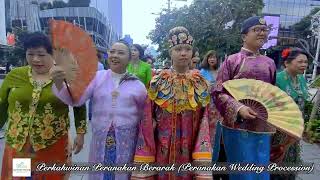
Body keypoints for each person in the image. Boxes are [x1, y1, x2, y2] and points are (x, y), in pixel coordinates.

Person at [51, 40, 147, 180]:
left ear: (129, 58)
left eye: (120, 53)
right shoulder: (97, 77)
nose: (115, 55)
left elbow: (145, 115)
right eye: (112, 51)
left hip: (127, 140)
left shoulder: (137, 84)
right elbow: (77, 99)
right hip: (100, 139)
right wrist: (59, 83)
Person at [0, 32, 87, 180]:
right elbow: (2, 104)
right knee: (21, 177)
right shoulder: (15, 75)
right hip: (20, 145)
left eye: (41, 54)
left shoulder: (64, 76)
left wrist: (80, 133)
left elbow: (79, 105)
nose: (35, 59)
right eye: (30, 54)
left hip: (53, 143)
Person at [133, 26, 212, 179]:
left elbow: (205, 120)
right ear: (170, 53)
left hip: (190, 144)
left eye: (188, 49)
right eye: (178, 49)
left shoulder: (200, 82)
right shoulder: (158, 81)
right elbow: (148, 118)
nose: (183, 53)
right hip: (163, 144)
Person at [211, 16, 276, 180]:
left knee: (262, 168)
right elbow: (218, 92)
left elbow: (273, 93)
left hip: (263, 124)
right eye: (256, 30)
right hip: (238, 127)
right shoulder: (231, 61)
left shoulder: (270, 63)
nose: (262, 33)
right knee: (242, 171)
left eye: (264, 30)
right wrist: (239, 108)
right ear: (244, 36)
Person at [271, 47, 309, 180]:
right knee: (277, 162)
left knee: (291, 162)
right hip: (279, 130)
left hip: (295, 130)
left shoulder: (302, 79)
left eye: (305, 62)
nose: (304, 64)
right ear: (287, 63)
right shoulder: (277, 79)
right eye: (300, 62)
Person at [200, 50, 227, 180]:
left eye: (214, 57)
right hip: (207, 107)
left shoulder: (221, 72)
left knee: (218, 135)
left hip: (219, 108)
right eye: (210, 57)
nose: (212, 59)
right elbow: (199, 91)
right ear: (207, 59)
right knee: (207, 135)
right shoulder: (202, 73)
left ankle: (215, 162)